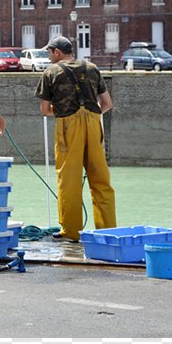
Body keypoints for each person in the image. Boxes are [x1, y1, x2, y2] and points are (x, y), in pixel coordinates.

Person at [35, 36, 117, 242]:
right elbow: (107, 103)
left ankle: (71, 231)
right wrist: (89, 113)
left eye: (49, 52)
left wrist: (65, 111)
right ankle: (107, 230)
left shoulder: (51, 72)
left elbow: (45, 110)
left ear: (57, 52)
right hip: (93, 122)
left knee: (68, 180)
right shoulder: (92, 68)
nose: (49, 56)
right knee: (100, 179)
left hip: (68, 126)